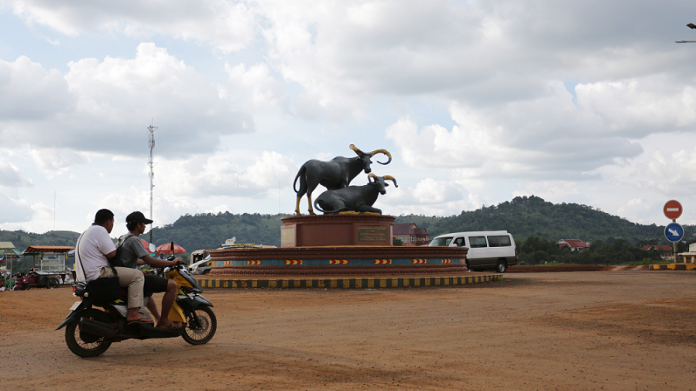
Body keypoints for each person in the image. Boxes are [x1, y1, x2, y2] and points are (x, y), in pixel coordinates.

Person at [75, 209, 151, 323]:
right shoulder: (100, 230)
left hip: (84, 276)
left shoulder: (87, 231)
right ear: (108, 222)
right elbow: (112, 253)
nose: (112, 226)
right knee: (138, 275)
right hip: (99, 273)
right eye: (113, 223)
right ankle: (133, 313)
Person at [116, 211, 181, 329]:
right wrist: (172, 262)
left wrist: (148, 260)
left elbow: (134, 260)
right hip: (132, 278)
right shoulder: (134, 240)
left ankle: (158, 319)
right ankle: (164, 320)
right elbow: (151, 262)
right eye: (144, 223)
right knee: (172, 285)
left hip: (124, 275)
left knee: (148, 292)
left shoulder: (122, 238)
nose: (145, 226)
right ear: (138, 225)